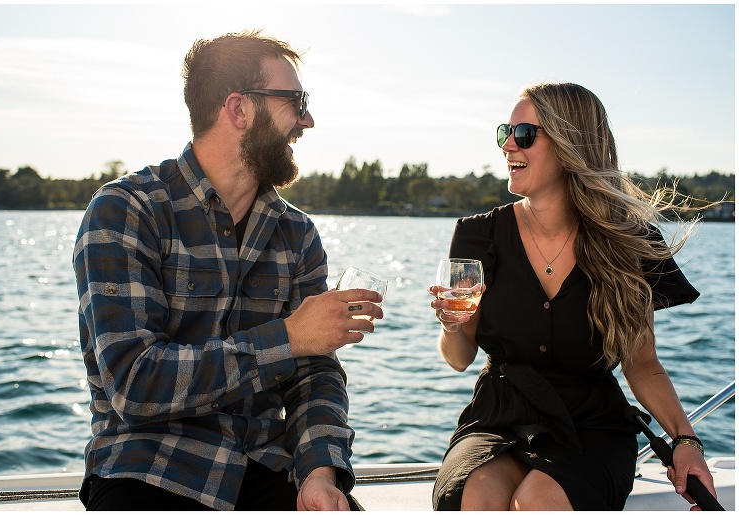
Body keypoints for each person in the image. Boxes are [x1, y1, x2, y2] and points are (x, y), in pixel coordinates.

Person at [73, 30, 382, 511]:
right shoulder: (126, 211)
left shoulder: (297, 234)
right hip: (151, 467)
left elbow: (315, 373)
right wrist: (290, 337)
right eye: (296, 101)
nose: (308, 120)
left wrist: (320, 472)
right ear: (239, 110)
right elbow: (134, 383)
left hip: (266, 466)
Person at [428, 82, 718, 511]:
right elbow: (458, 357)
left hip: (592, 424)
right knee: (476, 497)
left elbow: (642, 363)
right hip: (497, 415)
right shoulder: (476, 236)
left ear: (570, 145)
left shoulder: (629, 243)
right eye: (504, 131)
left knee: (539, 501)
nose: (508, 144)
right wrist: (453, 326)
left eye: (524, 134)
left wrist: (685, 440)